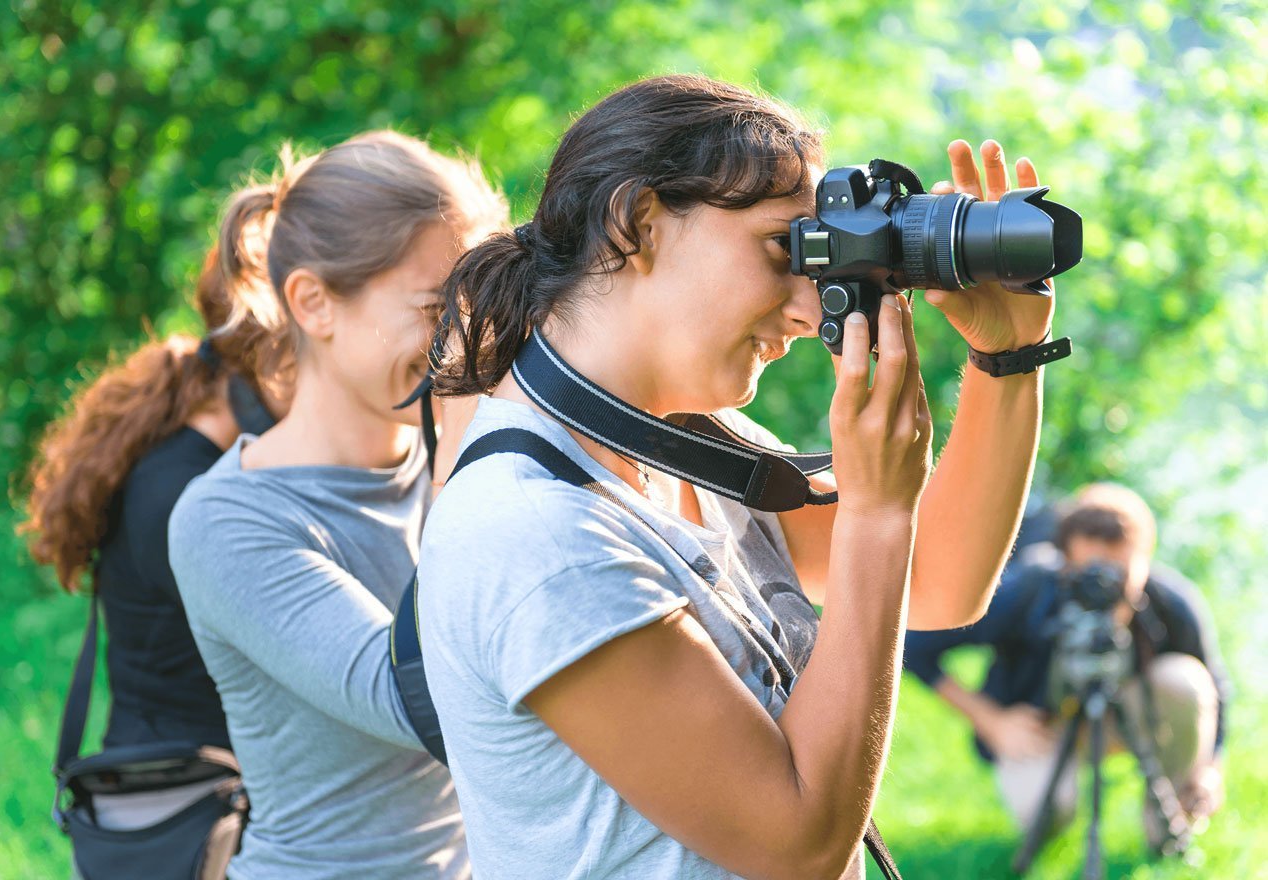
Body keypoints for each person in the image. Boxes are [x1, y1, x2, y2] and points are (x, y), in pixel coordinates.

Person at [418, 73, 1063, 880]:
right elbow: (796, 844)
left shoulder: (684, 443)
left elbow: (940, 580)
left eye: (816, 256)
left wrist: (1007, 359)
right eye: (780, 248)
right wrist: (873, 513)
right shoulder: (538, 531)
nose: (807, 309)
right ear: (638, 222)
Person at [168, 129, 506, 879]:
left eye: (474, 305)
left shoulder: (451, 471)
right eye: (435, 307)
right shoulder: (227, 519)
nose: (467, 340)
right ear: (315, 303)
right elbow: (420, 702)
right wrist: (466, 461)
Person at [20, 239, 291, 832]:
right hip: (184, 807)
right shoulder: (182, 496)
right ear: (258, 367)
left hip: (180, 785)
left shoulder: (179, 462)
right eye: (298, 363)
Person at [904, 483, 1229, 843]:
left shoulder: (1171, 603)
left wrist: (1212, 767)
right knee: (1045, 812)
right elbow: (915, 645)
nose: (1104, 587)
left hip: (1132, 715)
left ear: (1147, 560)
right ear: (1064, 561)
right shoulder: (1029, 588)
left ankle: (1166, 822)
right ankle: (1050, 814)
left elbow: (1215, 685)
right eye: (1088, 574)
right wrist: (991, 721)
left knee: (1187, 682)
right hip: (1045, 728)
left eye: (1118, 573)